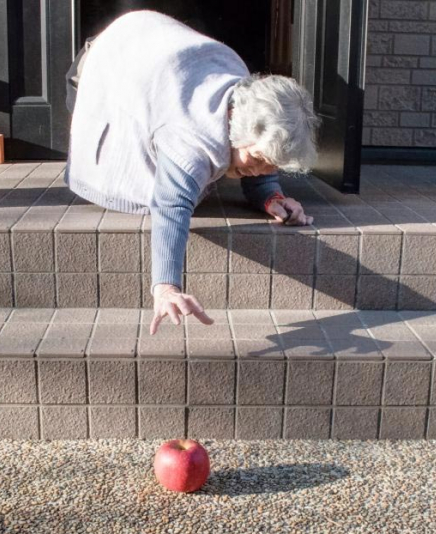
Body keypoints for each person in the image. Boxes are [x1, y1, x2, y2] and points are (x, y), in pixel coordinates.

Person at [64, 10, 319, 334]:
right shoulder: (190, 135)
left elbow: (259, 156)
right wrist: (165, 287)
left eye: (272, 166)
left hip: (152, 46)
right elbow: (171, 206)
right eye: (256, 159)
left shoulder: (244, 94)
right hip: (104, 60)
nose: (260, 169)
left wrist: (271, 195)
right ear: (232, 125)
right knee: (101, 135)